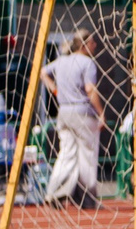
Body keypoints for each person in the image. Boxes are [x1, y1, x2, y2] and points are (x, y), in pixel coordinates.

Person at [42, 32, 102, 208]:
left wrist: (54, 90)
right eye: (92, 42)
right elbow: (90, 90)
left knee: (66, 153)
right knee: (87, 155)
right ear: (84, 45)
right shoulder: (87, 63)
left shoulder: (61, 61)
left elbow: (42, 72)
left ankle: (54, 191)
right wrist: (101, 112)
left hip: (64, 112)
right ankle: (86, 197)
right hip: (82, 113)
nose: (95, 45)